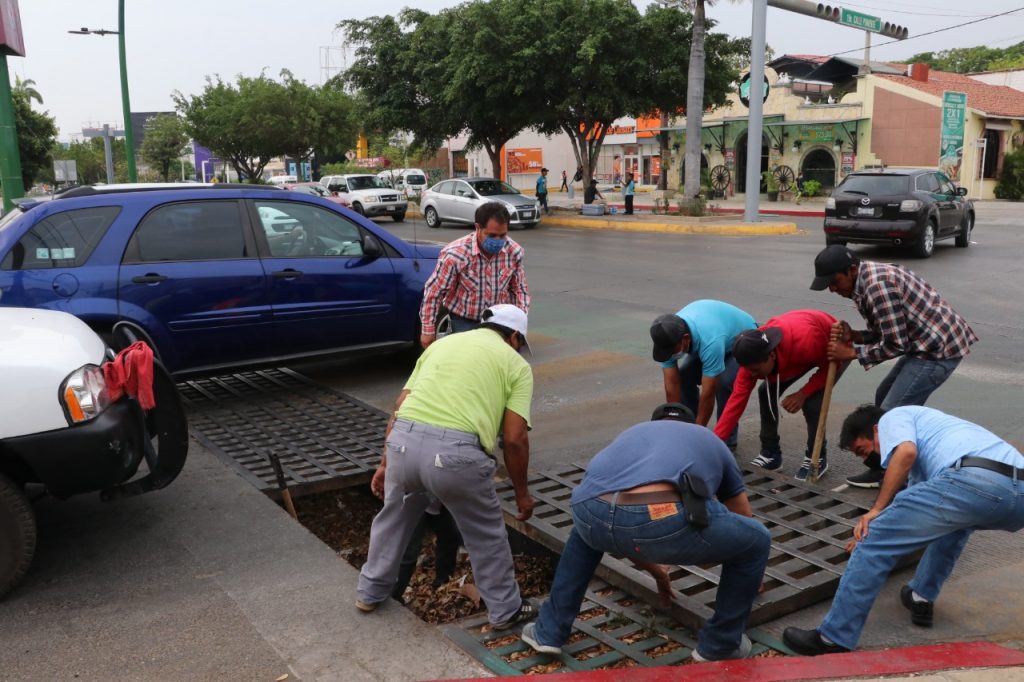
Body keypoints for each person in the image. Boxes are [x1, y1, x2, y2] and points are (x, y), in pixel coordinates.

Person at [520, 403, 770, 662]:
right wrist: (750, 571)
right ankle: (720, 645)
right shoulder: (707, 438)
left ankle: (547, 633)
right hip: (657, 514)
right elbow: (742, 516)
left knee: (584, 537)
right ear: (693, 425)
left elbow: (617, 521)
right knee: (758, 539)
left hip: (589, 510)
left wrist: (656, 572)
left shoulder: (634, 433)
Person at [784, 404, 1024, 656]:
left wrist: (875, 516)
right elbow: (918, 508)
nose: (867, 459)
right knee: (954, 526)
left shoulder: (893, 418)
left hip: (973, 480)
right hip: (1017, 496)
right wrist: (886, 524)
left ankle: (833, 637)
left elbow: (906, 452)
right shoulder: (937, 434)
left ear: (876, 430)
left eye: (863, 450)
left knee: (872, 544)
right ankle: (921, 596)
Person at [357, 304, 538, 630]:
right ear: (514, 337)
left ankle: (369, 592)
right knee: (486, 535)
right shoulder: (517, 365)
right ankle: (506, 610)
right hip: (455, 457)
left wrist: (386, 461)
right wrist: (523, 494)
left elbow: (401, 404)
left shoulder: (442, 344)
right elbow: (514, 439)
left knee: (392, 520)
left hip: (404, 443)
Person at [810, 245, 978, 488]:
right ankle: (885, 466)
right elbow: (887, 331)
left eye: (835, 281)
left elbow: (895, 344)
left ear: (852, 270)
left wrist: (851, 353)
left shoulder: (877, 287)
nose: (833, 289)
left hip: (937, 351)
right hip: (920, 344)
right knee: (882, 399)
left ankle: (894, 476)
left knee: (891, 414)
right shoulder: (863, 283)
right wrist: (856, 336)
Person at [714, 311, 849, 481]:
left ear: (771, 355)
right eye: (748, 370)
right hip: (793, 352)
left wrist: (802, 394)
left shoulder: (807, 343)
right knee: (765, 392)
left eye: (756, 370)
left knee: (812, 403)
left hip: (833, 347)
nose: (752, 375)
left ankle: (817, 457)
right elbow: (735, 404)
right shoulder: (751, 359)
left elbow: (832, 365)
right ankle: (771, 454)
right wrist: (715, 443)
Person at [419, 202, 530, 349]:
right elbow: (434, 292)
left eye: (502, 235)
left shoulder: (513, 252)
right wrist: (427, 330)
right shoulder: (455, 255)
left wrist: (518, 321)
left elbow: (520, 290)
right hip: (464, 323)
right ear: (478, 228)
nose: (498, 241)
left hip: (499, 323)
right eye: (492, 235)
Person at [650, 300, 757, 449]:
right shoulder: (668, 335)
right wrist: (674, 423)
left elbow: (708, 393)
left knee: (724, 383)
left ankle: (726, 441)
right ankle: (688, 425)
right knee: (684, 378)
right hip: (713, 334)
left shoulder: (710, 341)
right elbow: (672, 384)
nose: (670, 355)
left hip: (742, 340)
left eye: (672, 351)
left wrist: (698, 438)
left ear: (686, 339)